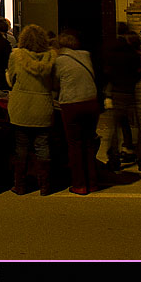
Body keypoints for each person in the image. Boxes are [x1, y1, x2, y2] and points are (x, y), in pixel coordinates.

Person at [6, 24, 57, 196]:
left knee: (21, 146)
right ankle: (45, 186)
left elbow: (11, 80)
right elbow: (55, 83)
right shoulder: (51, 57)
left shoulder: (16, 56)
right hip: (43, 105)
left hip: (21, 106)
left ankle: (20, 185)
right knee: (42, 146)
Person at [54, 30, 100, 195]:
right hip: (91, 101)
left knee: (74, 145)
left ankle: (79, 184)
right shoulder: (86, 56)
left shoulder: (60, 61)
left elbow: (55, 83)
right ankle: (93, 182)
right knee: (89, 143)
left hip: (72, 103)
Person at [100, 23, 141, 171]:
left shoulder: (111, 51)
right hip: (130, 91)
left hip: (117, 92)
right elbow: (140, 73)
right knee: (136, 126)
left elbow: (106, 72)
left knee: (115, 127)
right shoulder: (132, 53)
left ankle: (114, 159)